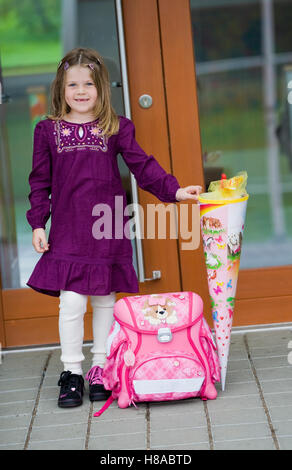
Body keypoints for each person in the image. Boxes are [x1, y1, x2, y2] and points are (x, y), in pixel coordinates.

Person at [26, 47, 202, 408]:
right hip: (68, 230)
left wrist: (175, 190)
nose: (80, 91)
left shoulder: (116, 127)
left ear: (101, 88)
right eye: (72, 84)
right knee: (72, 302)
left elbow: (143, 165)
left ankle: (101, 368)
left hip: (107, 226)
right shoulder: (47, 131)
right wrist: (37, 223)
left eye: (88, 83)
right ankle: (72, 372)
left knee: (105, 298)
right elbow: (39, 181)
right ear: (60, 89)